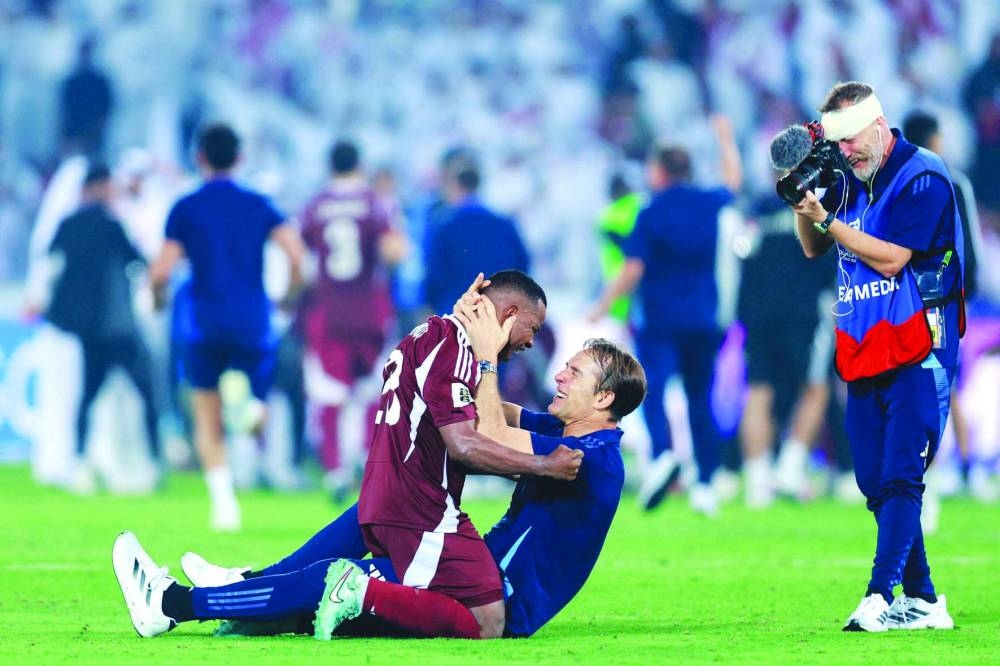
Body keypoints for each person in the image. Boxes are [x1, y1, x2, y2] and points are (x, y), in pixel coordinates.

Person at [112, 278, 645, 640]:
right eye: (564, 363)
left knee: (324, 597)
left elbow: (491, 429)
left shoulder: (590, 455)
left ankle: (205, 597)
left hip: (507, 595)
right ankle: (204, 597)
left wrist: (480, 355)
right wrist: (473, 350)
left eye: (573, 373)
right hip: (470, 562)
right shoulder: (563, 428)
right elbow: (493, 414)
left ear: (603, 400)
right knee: (335, 592)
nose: (556, 371)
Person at [788, 82, 963, 632]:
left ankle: (879, 595)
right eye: (837, 146)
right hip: (865, 344)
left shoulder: (924, 175)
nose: (846, 153)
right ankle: (925, 599)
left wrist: (826, 219)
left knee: (900, 477)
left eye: (853, 141)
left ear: (879, 124)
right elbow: (813, 248)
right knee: (872, 480)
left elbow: (892, 260)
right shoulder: (847, 177)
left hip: (921, 345)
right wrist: (804, 200)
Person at [149, 123, 305, 531]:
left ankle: (224, 504)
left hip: (202, 320)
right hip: (252, 318)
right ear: (239, 158)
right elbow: (295, 253)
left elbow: (161, 270)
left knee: (205, 415)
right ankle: (247, 409)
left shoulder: (186, 206)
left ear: (199, 157)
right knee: (257, 410)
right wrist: (288, 294)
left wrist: (157, 298)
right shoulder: (258, 203)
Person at [590, 114, 742, 517]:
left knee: (652, 390)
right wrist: (725, 139)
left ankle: (663, 457)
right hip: (703, 319)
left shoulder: (651, 211)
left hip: (659, 320)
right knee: (699, 399)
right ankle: (705, 483)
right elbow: (732, 182)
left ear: (658, 171)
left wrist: (601, 307)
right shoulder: (707, 203)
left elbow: (633, 268)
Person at [298, 140, 408, 496]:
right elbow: (396, 252)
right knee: (372, 388)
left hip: (328, 311)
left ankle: (334, 469)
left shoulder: (315, 206)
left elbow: (300, 262)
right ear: (358, 165)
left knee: (330, 391)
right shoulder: (376, 203)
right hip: (370, 310)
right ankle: (365, 453)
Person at [45, 163, 161, 490]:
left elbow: (52, 264)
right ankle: (151, 463)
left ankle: (80, 462)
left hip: (86, 329)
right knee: (146, 391)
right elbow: (137, 261)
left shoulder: (68, 224)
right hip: (118, 328)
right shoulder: (111, 225)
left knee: (87, 395)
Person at [736, 183, 837, 508]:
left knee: (759, 389)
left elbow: (742, 255)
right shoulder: (816, 204)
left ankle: (756, 480)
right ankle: (790, 469)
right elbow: (828, 260)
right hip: (803, 311)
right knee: (816, 387)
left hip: (758, 310)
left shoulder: (759, 207)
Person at [423, 162, 530, 316]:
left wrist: (429, 307)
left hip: (457, 315)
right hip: (497, 315)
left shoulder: (445, 227)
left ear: (456, 186)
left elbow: (434, 275)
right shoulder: (504, 225)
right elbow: (523, 267)